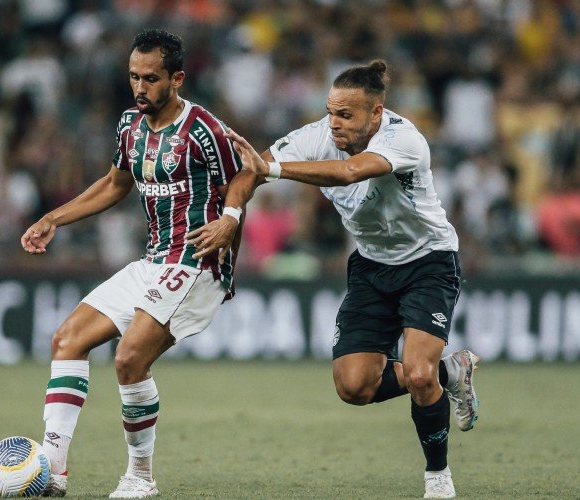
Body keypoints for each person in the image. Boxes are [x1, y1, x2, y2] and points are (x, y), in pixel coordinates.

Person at [189, 60, 479, 499]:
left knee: (419, 376)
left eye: (346, 115)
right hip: (371, 266)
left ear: (375, 113)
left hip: (428, 261)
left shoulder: (405, 139)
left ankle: (437, 478)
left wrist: (276, 171)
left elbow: (350, 171)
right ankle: (451, 370)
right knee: (354, 386)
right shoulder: (315, 137)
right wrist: (231, 216)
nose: (334, 123)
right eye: (330, 112)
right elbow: (249, 172)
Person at [21, 29, 253, 498]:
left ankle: (140, 477)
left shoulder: (204, 128)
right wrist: (53, 218)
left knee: (128, 357)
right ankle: (53, 471)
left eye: (150, 79)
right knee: (67, 340)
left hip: (197, 262)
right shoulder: (130, 124)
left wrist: (229, 224)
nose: (139, 87)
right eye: (133, 77)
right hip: (153, 260)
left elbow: (247, 172)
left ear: (177, 78)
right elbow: (114, 184)